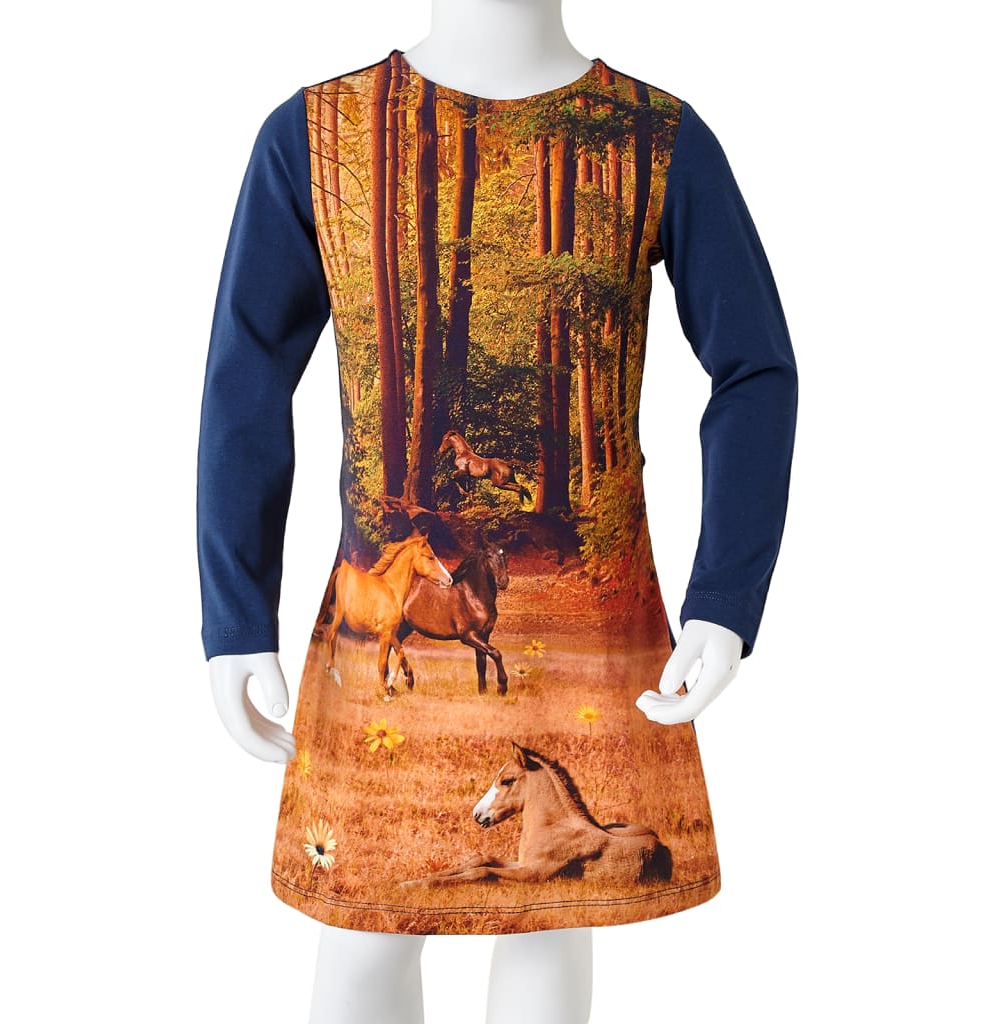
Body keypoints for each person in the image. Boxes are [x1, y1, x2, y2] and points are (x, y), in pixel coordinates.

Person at [197, 5, 798, 1022]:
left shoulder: (655, 138)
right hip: (369, 647)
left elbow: (755, 369)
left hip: (590, 648)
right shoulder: (313, 133)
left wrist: (726, 596)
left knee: (549, 928)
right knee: (364, 930)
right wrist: (234, 612)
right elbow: (244, 382)